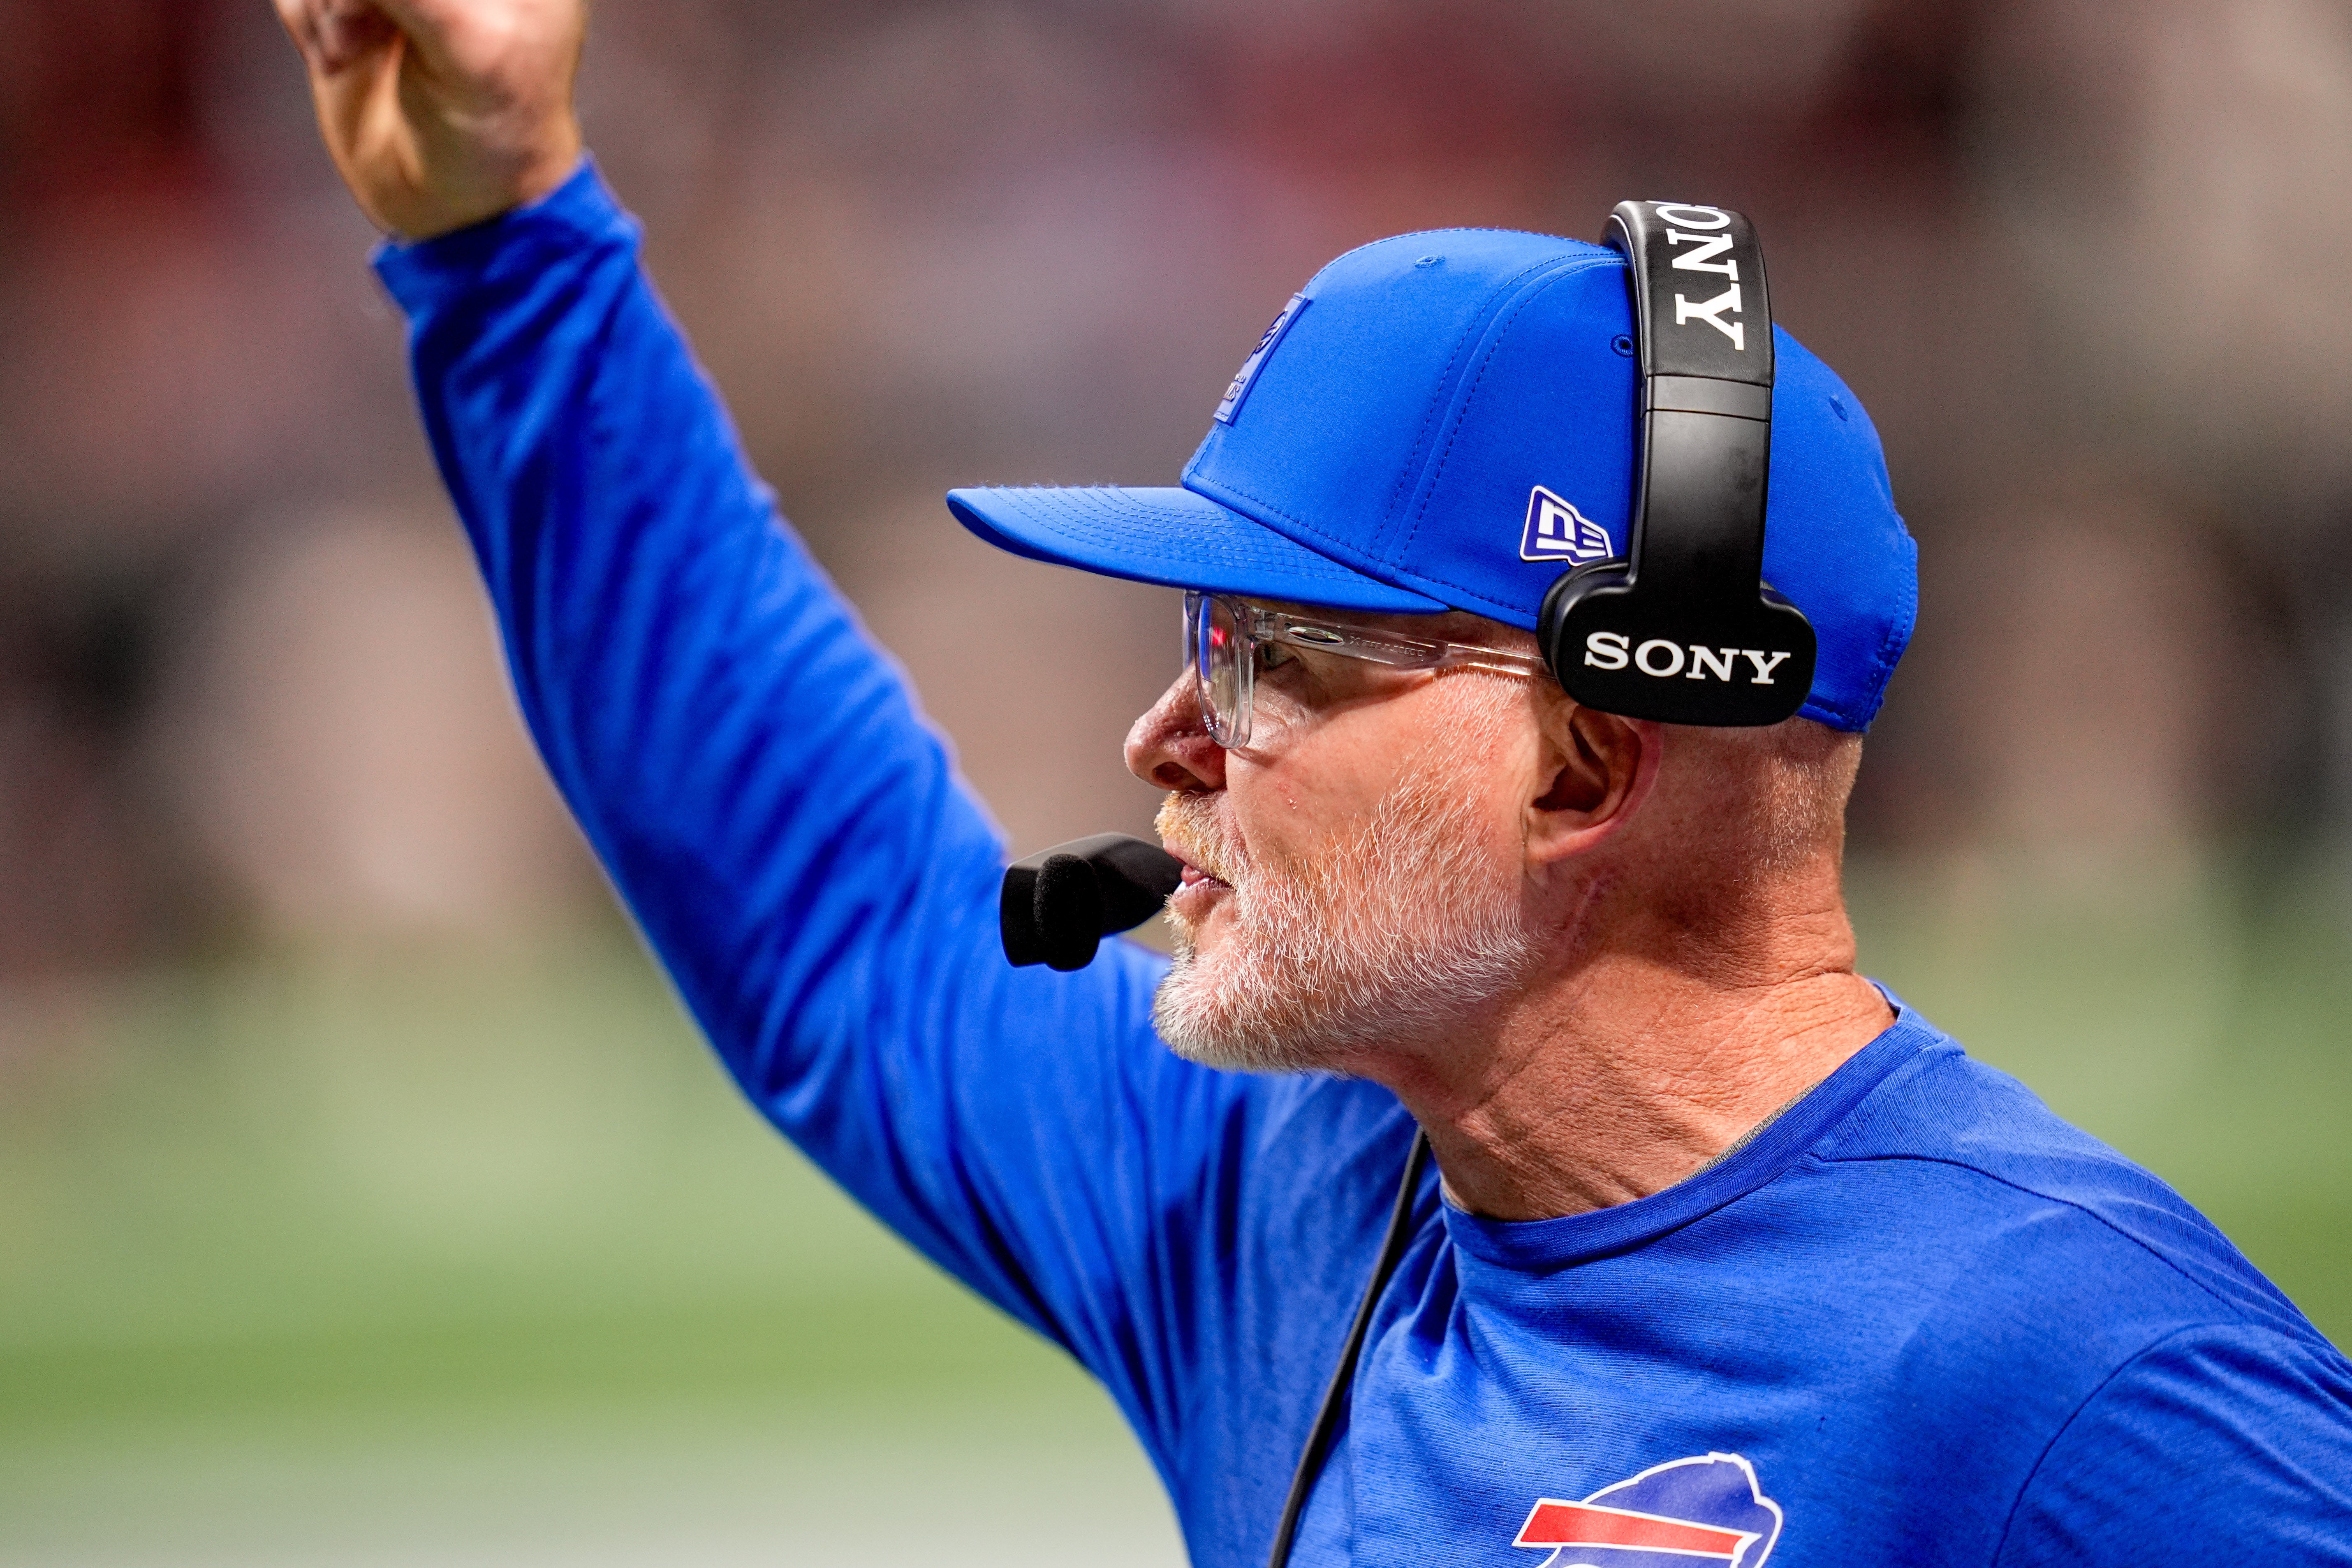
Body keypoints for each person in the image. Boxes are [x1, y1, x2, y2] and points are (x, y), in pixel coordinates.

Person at [275, 2, 2352, 1563]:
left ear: (1583, 759)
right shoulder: (1292, 1189)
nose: (1159, 746)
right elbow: (830, 915)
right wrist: (500, 237)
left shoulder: (2085, 1384)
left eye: (1274, 660)